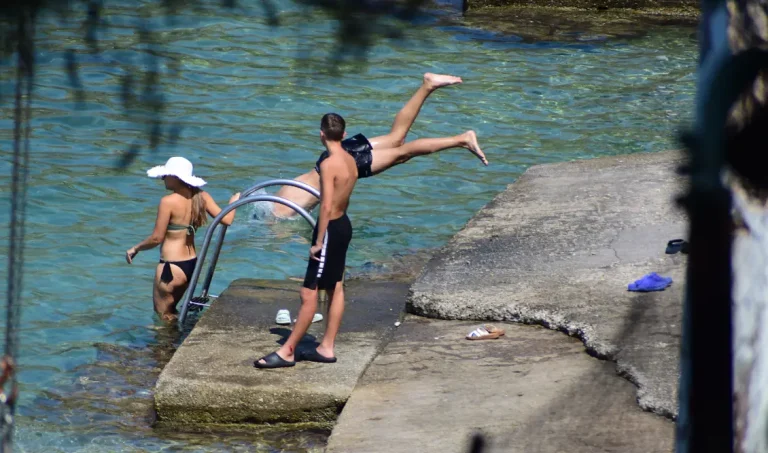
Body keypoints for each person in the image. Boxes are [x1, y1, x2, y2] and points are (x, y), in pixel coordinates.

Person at [272, 72, 487, 218]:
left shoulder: (281, 214)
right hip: (333, 154)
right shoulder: (280, 194)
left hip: (340, 165)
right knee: (396, 139)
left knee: (403, 152)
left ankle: (461, 139)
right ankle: (427, 85)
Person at [254, 113, 357, 368]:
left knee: (308, 292)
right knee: (336, 287)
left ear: (321, 134)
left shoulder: (328, 164)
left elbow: (326, 206)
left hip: (331, 229)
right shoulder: (351, 159)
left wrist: (319, 240)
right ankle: (326, 347)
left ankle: (288, 351)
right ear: (343, 135)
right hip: (344, 225)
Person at [125, 157, 240, 322]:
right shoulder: (201, 197)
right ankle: (174, 344)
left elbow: (156, 238)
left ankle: (164, 347)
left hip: (170, 268)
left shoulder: (168, 202)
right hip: (190, 265)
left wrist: (135, 248)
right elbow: (227, 220)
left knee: (163, 317)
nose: (163, 178)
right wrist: (233, 202)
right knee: (172, 313)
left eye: (167, 175)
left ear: (177, 177)